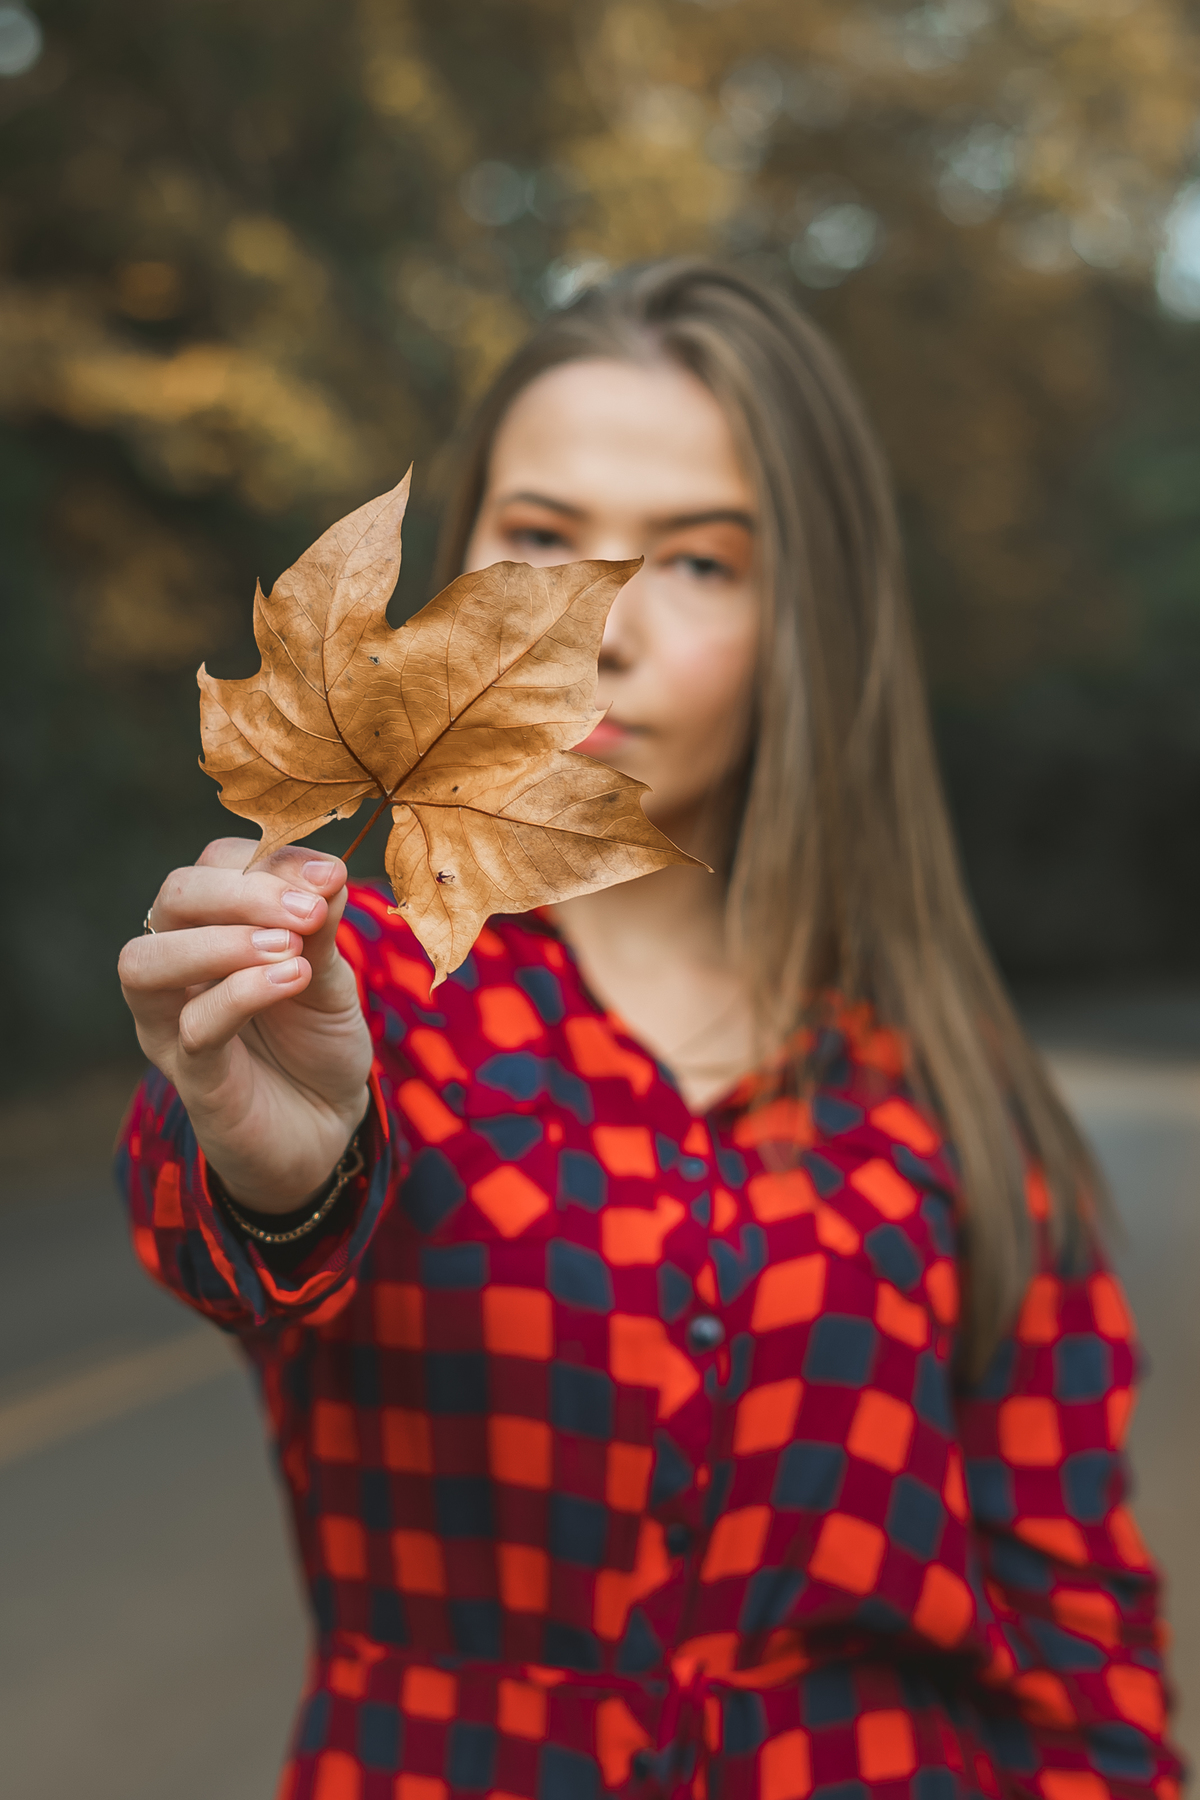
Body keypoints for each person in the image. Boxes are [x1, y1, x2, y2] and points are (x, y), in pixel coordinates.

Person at [116, 260, 1180, 1800]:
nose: (591, 627)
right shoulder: (354, 1006)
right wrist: (274, 1170)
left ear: (805, 621)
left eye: (696, 563)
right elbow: (212, 1221)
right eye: (540, 539)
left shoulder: (948, 1094)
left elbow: (1085, 1662)